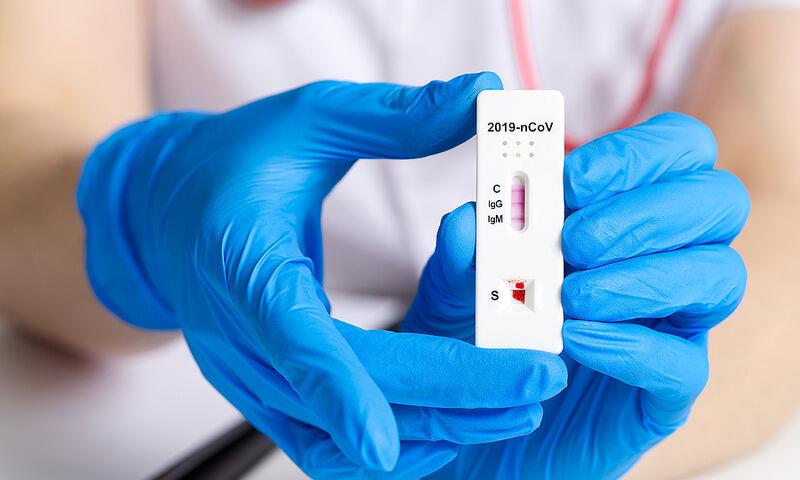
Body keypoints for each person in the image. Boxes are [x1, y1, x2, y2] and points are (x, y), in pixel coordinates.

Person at [0, 1, 797, 478]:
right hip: (187, 387)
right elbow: (20, 128)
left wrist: (617, 431)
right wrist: (142, 205)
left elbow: (784, 203)